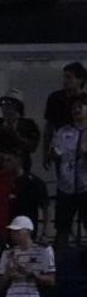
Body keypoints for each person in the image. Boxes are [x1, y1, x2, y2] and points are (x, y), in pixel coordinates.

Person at [0, 216, 55, 297]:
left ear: (28, 231)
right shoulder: (8, 253)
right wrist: (8, 274)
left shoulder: (43, 250)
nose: (13, 234)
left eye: (17, 231)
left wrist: (31, 274)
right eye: (12, 231)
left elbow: (51, 280)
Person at [48, 95, 87, 249]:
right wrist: (53, 154)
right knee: (62, 229)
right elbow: (54, 151)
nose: (76, 110)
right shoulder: (64, 131)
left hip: (85, 186)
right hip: (66, 186)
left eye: (80, 106)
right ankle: (59, 266)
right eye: (74, 107)